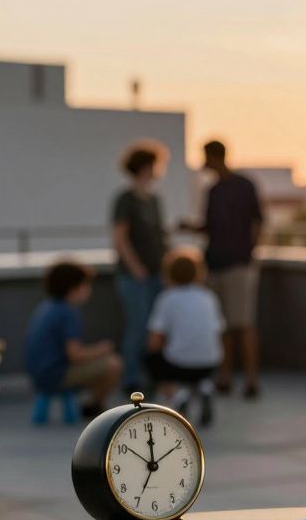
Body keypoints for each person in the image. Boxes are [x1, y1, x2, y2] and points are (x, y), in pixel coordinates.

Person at [182, 140, 264, 399]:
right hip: (215, 264)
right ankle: (225, 378)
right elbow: (209, 227)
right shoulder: (213, 190)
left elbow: (258, 220)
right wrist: (190, 228)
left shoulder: (243, 186)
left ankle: (251, 380)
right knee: (224, 326)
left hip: (238, 264)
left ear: (214, 157)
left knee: (243, 324)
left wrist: (250, 253)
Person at [24, 260, 122, 417]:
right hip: (56, 375)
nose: (89, 290)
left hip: (38, 374)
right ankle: (94, 407)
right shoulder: (67, 312)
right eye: (86, 285)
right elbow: (75, 355)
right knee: (113, 364)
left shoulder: (47, 307)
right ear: (73, 288)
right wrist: (101, 350)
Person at [111, 140, 170, 394]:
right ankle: (130, 379)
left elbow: (160, 236)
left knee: (156, 328)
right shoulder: (125, 199)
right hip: (134, 277)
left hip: (157, 274)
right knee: (138, 325)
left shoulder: (154, 200)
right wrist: (136, 268)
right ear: (145, 167)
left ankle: (153, 377)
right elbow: (120, 237)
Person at [146, 247, 224, 425]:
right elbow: (217, 332)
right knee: (197, 365)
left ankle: (177, 395)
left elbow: (154, 340)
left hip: (180, 365)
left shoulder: (167, 298)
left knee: (151, 359)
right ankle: (205, 387)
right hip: (210, 363)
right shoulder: (209, 297)